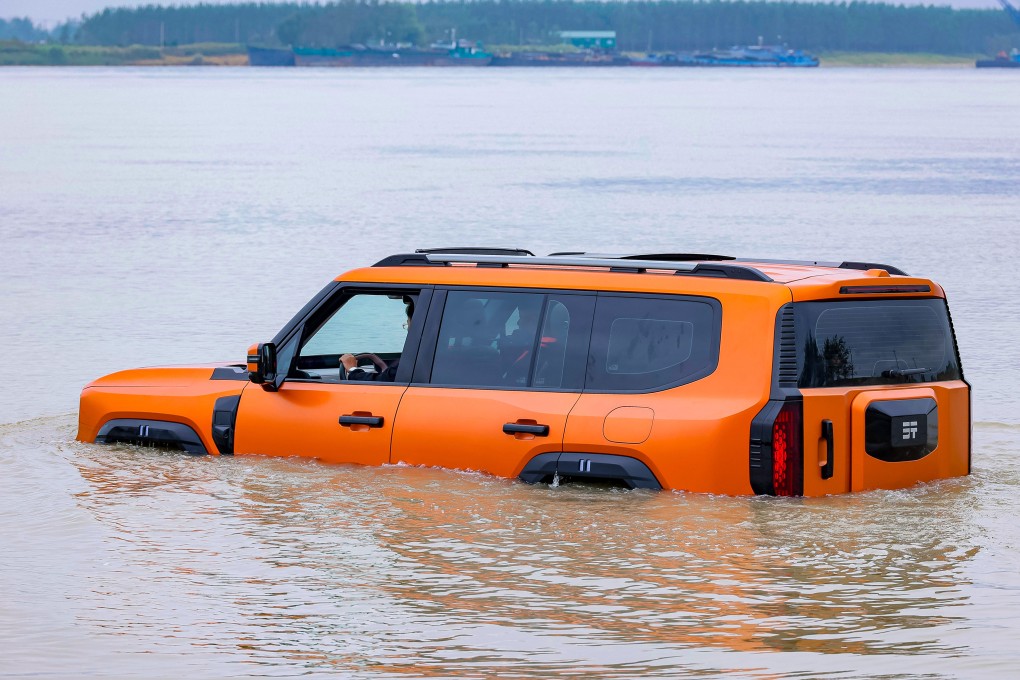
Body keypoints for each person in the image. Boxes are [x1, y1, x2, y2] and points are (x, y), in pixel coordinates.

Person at [340, 297, 414, 382]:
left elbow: (385, 381)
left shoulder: (415, 359)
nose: (408, 331)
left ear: (416, 325)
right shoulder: (425, 354)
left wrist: (353, 370)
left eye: (408, 325)